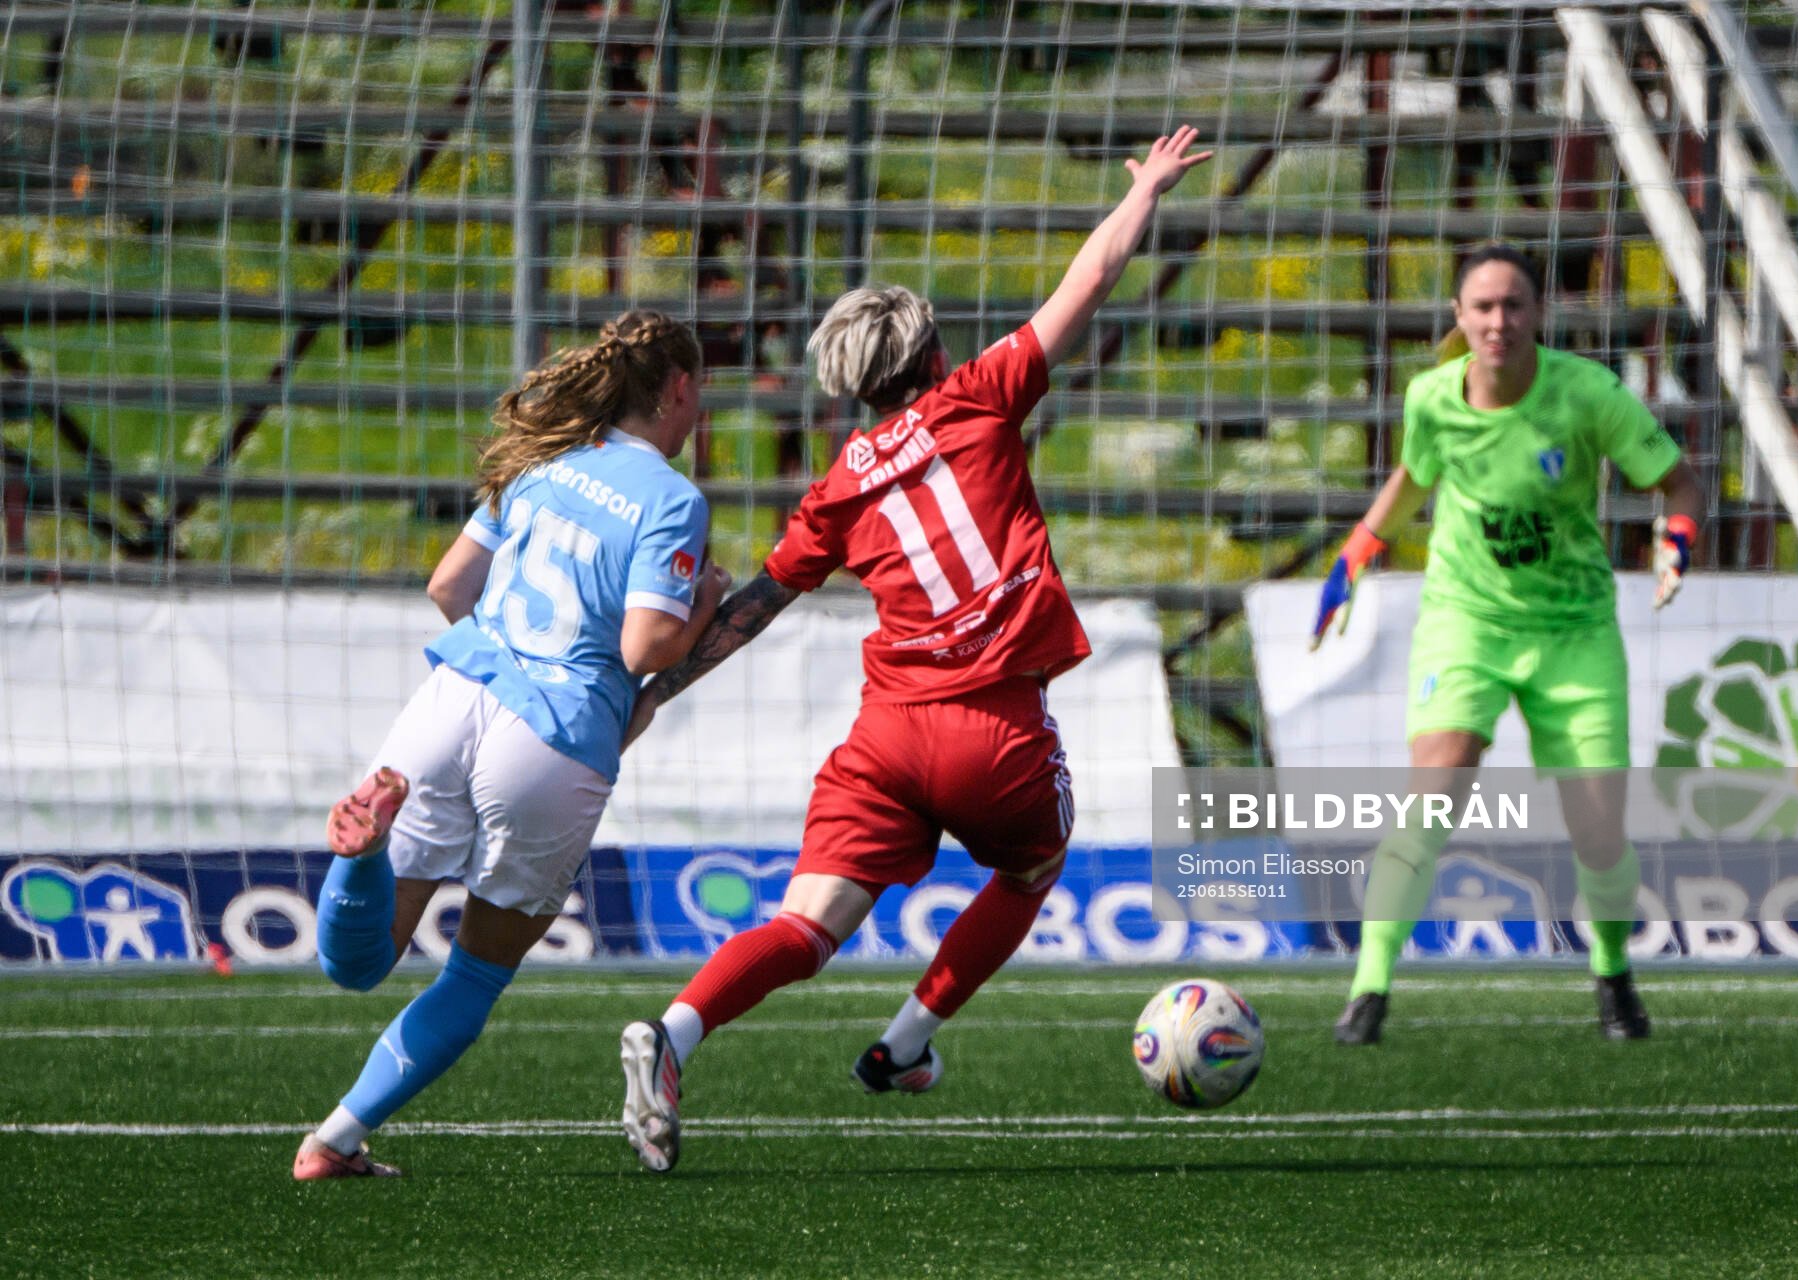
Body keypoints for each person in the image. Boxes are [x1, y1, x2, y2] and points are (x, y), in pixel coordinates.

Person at [614, 127, 1214, 1173]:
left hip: (887, 735)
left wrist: (662, 687)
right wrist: (1144, 192)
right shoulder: (978, 396)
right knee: (1033, 865)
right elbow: (1090, 279)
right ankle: (904, 1042)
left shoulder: (835, 491)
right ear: (934, 355)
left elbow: (755, 604)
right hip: (994, 728)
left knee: (808, 926)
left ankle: (675, 1030)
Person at [292, 310, 729, 1179]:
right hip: (554, 736)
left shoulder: (544, 455)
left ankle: (364, 856)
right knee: (475, 974)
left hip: (453, 699)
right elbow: (645, 647)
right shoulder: (671, 498)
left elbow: (449, 586)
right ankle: (332, 1140)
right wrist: (706, 606)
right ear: (678, 390)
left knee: (363, 961)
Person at [1312, 243, 1706, 1046]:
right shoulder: (1431, 397)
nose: (1499, 321)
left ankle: (1611, 972)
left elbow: (1680, 482)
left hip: (1574, 630)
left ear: (1539, 314)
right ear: (1459, 318)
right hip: (1467, 621)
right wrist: (1356, 552)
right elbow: (1415, 476)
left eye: (1514, 305)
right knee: (1434, 788)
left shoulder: (1589, 394)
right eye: (1483, 307)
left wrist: (1678, 537)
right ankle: (1369, 987)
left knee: (1599, 831)